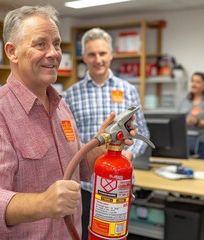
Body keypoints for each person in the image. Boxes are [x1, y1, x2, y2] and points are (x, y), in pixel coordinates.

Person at [0, 5, 136, 240]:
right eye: (40, 44)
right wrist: (43, 203)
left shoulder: (61, 106)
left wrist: (96, 154)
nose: (53, 53)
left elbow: (76, 170)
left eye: (56, 43)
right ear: (12, 52)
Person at [63, 27, 150, 240]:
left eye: (102, 53)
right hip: (85, 184)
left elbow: (143, 133)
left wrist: (129, 155)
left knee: (116, 235)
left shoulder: (128, 90)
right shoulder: (71, 94)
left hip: (119, 182)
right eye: (92, 54)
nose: (98, 59)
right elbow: (69, 139)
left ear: (111, 54)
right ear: (84, 57)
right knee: (85, 235)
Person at [177, 72, 204, 160]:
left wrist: (197, 122)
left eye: (197, 82)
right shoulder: (185, 101)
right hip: (187, 143)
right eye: (192, 81)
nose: (194, 84)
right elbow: (177, 118)